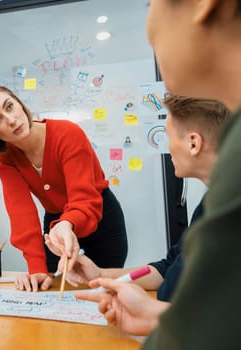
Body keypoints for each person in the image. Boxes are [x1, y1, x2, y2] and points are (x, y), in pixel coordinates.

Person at [75, 1, 241, 348]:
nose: (150, 28)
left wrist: (161, 321)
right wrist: (153, 313)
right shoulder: (211, 202)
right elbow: (174, 271)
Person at [69, 95, 227, 335]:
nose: (166, 146)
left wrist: (151, 312)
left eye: (168, 136)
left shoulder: (228, 218)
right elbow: (167, 268)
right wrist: (100, 274)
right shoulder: (211, 203)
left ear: (193, 143)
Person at [0, 83, 128, 292]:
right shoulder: (4, 159)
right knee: (49, 286)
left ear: (18, 102)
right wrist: (36, 268)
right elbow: (21, 213)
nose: (12, 120)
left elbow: (83, 198)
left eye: (9, 106)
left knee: (102, 289)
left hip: (99, 214)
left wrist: (68, 223)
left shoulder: (67, 133)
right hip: (55, 223)